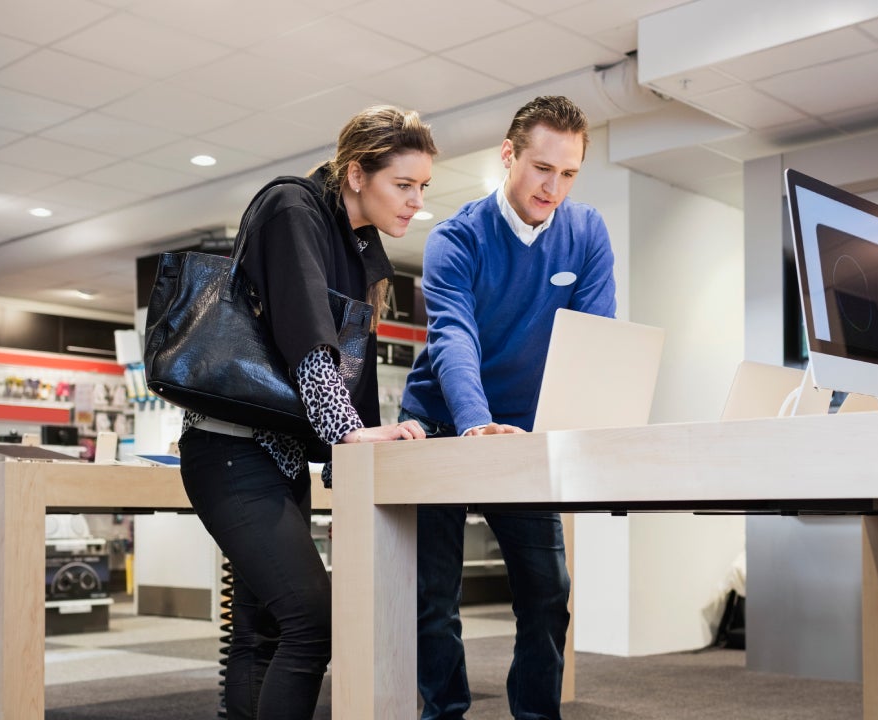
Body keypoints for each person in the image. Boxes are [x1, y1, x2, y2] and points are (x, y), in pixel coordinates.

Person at [177, 105, 436, 720]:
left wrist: (352, 469)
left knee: (264, 630)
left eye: (423, 187)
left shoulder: (359, 243)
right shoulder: (292, 207)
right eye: (403, 184)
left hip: (278, 457)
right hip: (230, 449)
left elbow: (353, 361)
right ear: (356, 174)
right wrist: (346, 433)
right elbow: (308, 336)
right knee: (312, 621)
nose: (416, 201)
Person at [400, 95, 617, 720]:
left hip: (522, 432)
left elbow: (594, 338)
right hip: (442, 424)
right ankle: (444, 712)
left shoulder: (586, 233)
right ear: (507, 155)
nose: (554, 187)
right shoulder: (456, 238)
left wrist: (585, 421)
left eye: (569, 173)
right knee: (433, 597)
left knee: (548, 592)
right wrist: (474, 423)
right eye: (542, 168)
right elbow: (453, 336)